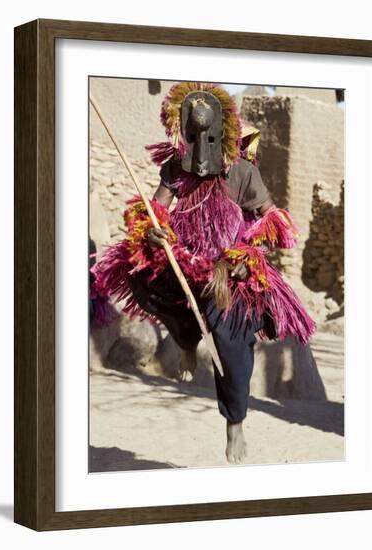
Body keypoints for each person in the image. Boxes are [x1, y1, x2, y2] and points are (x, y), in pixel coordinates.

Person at [91, 82, 316, 463]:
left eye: (207, 136)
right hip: (183, 259)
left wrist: (245, 254)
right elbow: (154, 209)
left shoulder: (243, 173)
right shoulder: (177, 168)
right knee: (141, 276)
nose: (200, 144)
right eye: (192, 136)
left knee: (231, 342)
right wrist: (153, 228)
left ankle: (235, 422)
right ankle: (185, 341)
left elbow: (273, 220)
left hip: (230, 270)